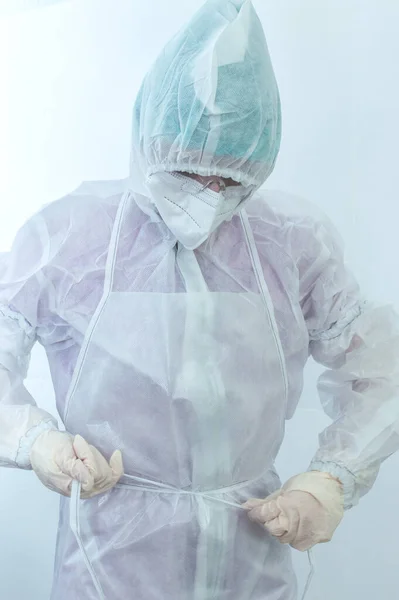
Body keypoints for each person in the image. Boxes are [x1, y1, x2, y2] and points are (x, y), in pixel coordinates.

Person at [0, 0, 398, 598]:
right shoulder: (68, 239)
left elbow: (382, 366)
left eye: (231, 177)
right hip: (109, 560)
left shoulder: (291, 243)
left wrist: (331, 480)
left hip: (254, 551)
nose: (209, 195)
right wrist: (35, 441)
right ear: (149, 140)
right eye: (188, 172)